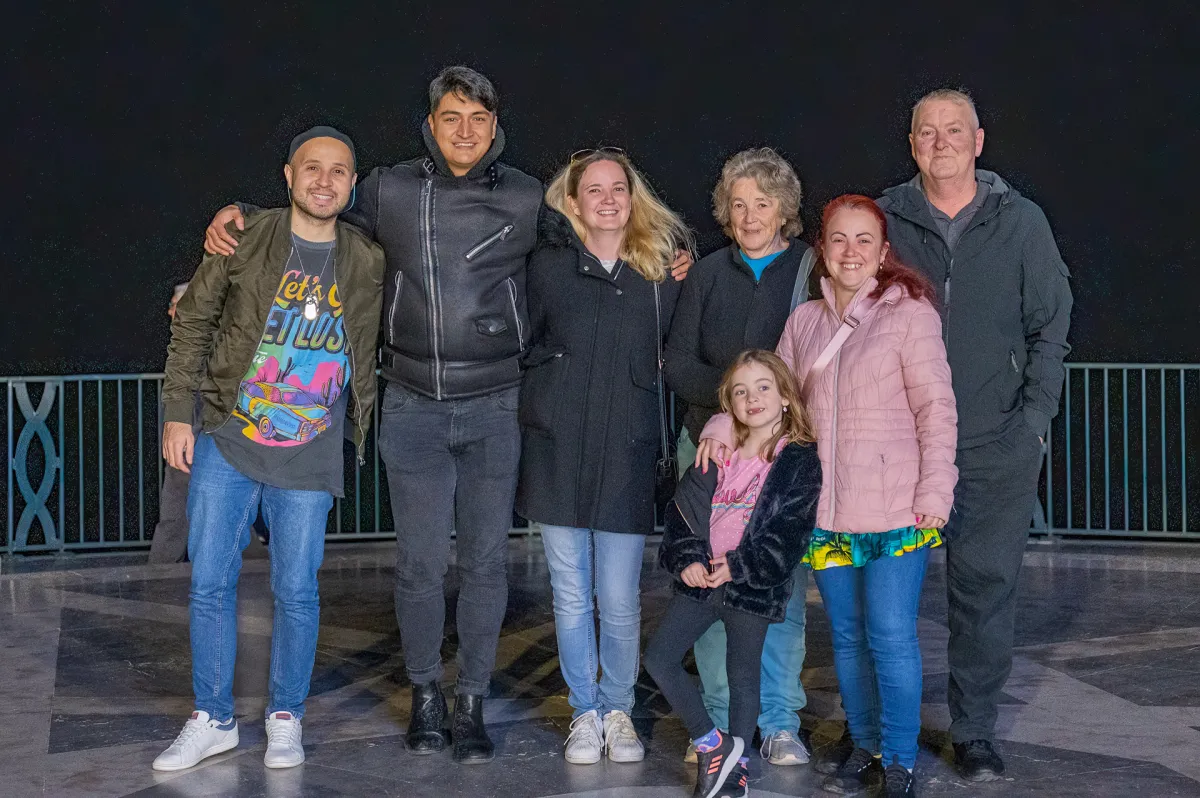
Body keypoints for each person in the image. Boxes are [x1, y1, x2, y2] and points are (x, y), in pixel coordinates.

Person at [203, 67, 691, 763]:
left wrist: (676, 258)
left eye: (479, 119)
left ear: (497, 127)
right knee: (421, 566)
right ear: (430, 125)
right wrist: (238, 220)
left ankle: (472, 701)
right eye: (452, 117)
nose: (466, 130)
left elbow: (604, 240)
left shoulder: (527, 198)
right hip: (412, 404)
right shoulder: (387, 189)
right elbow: (313, 228)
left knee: (488, 566)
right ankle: (426, 693)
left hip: (496, 406)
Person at [698, 195, 958, 797]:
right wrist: (719, 424)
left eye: (864, 240)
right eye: (839, 239)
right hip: (826, 515)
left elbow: (936, 409)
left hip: (897, 511)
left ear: (883, 251)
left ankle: (898, 758)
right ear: (823, 248)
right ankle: (864, 743)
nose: (850, 252)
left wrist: (936, 490)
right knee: (845, 635)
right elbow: (769, 402)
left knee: (890, 633)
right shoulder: (805, 322)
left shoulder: (910, 314)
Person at [152, 127, 384, 772]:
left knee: (297, 591)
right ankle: (212, 718)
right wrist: (179, 416)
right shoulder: (248, 237)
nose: (324, 181)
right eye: (313, 168)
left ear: (352, 183)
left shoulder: (368, 258)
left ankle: (286, 716)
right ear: (288, 174)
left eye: (339, 172)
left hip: (310, 451)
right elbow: (194, 321)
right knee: (209, 584)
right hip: (228, 435)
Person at [876, 88, 1072, 782]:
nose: (941, 142)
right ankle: (882, 729)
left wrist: (1032, 424)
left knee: (984, 593)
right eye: (927, 131)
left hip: (995, 446)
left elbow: (1051, 326)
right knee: (886, 595)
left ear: (979, 140)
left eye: (954, 130)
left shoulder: (1022, 223)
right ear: (912, 144)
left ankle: (976, 729)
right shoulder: (887, 219)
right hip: (900, 447)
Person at [516, 148, 692, 764]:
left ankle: (619, 708)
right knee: (569, 594)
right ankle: (584, 712)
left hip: (627, 451)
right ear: (572, 202)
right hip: (557, 449)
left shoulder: (661, 277)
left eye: (618, 188)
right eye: (594, 190)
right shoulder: (544, 268)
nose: (609, 199)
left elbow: (679, 355)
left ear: (633, 196)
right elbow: (523, 341)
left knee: (617, 598)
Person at [664, 147, 816, 766]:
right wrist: (728, 409)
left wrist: (760, 415)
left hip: (778, 456)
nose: (749, 214)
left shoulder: (809, 271)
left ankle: (779, 720)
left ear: (785, 209)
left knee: (772, 588)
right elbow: (678, 363)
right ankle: (724, 726)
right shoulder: (705, 274)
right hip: (710, 446)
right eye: (738, 203)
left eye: (763, 202)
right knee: (704, 583)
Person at [646, 350, 821, 798]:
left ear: (785, 396)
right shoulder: (717, 452)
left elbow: (790, 531)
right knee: (660, 658)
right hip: (703, 582)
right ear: (728, 403)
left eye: (764, 387)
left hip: (749, 587)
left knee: (743, 678)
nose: (753, 398)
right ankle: (712, 743)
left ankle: (737, 769)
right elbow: (683, 511)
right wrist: (687, 558)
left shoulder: (797, 458)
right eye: (740, 391)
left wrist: (740, 566)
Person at [148, 283, 196, 565]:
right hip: (191, 427)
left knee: (178, 498)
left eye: (175, 305)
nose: (170, 312)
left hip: (198, 426)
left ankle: (160, 566)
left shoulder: (198, 340)